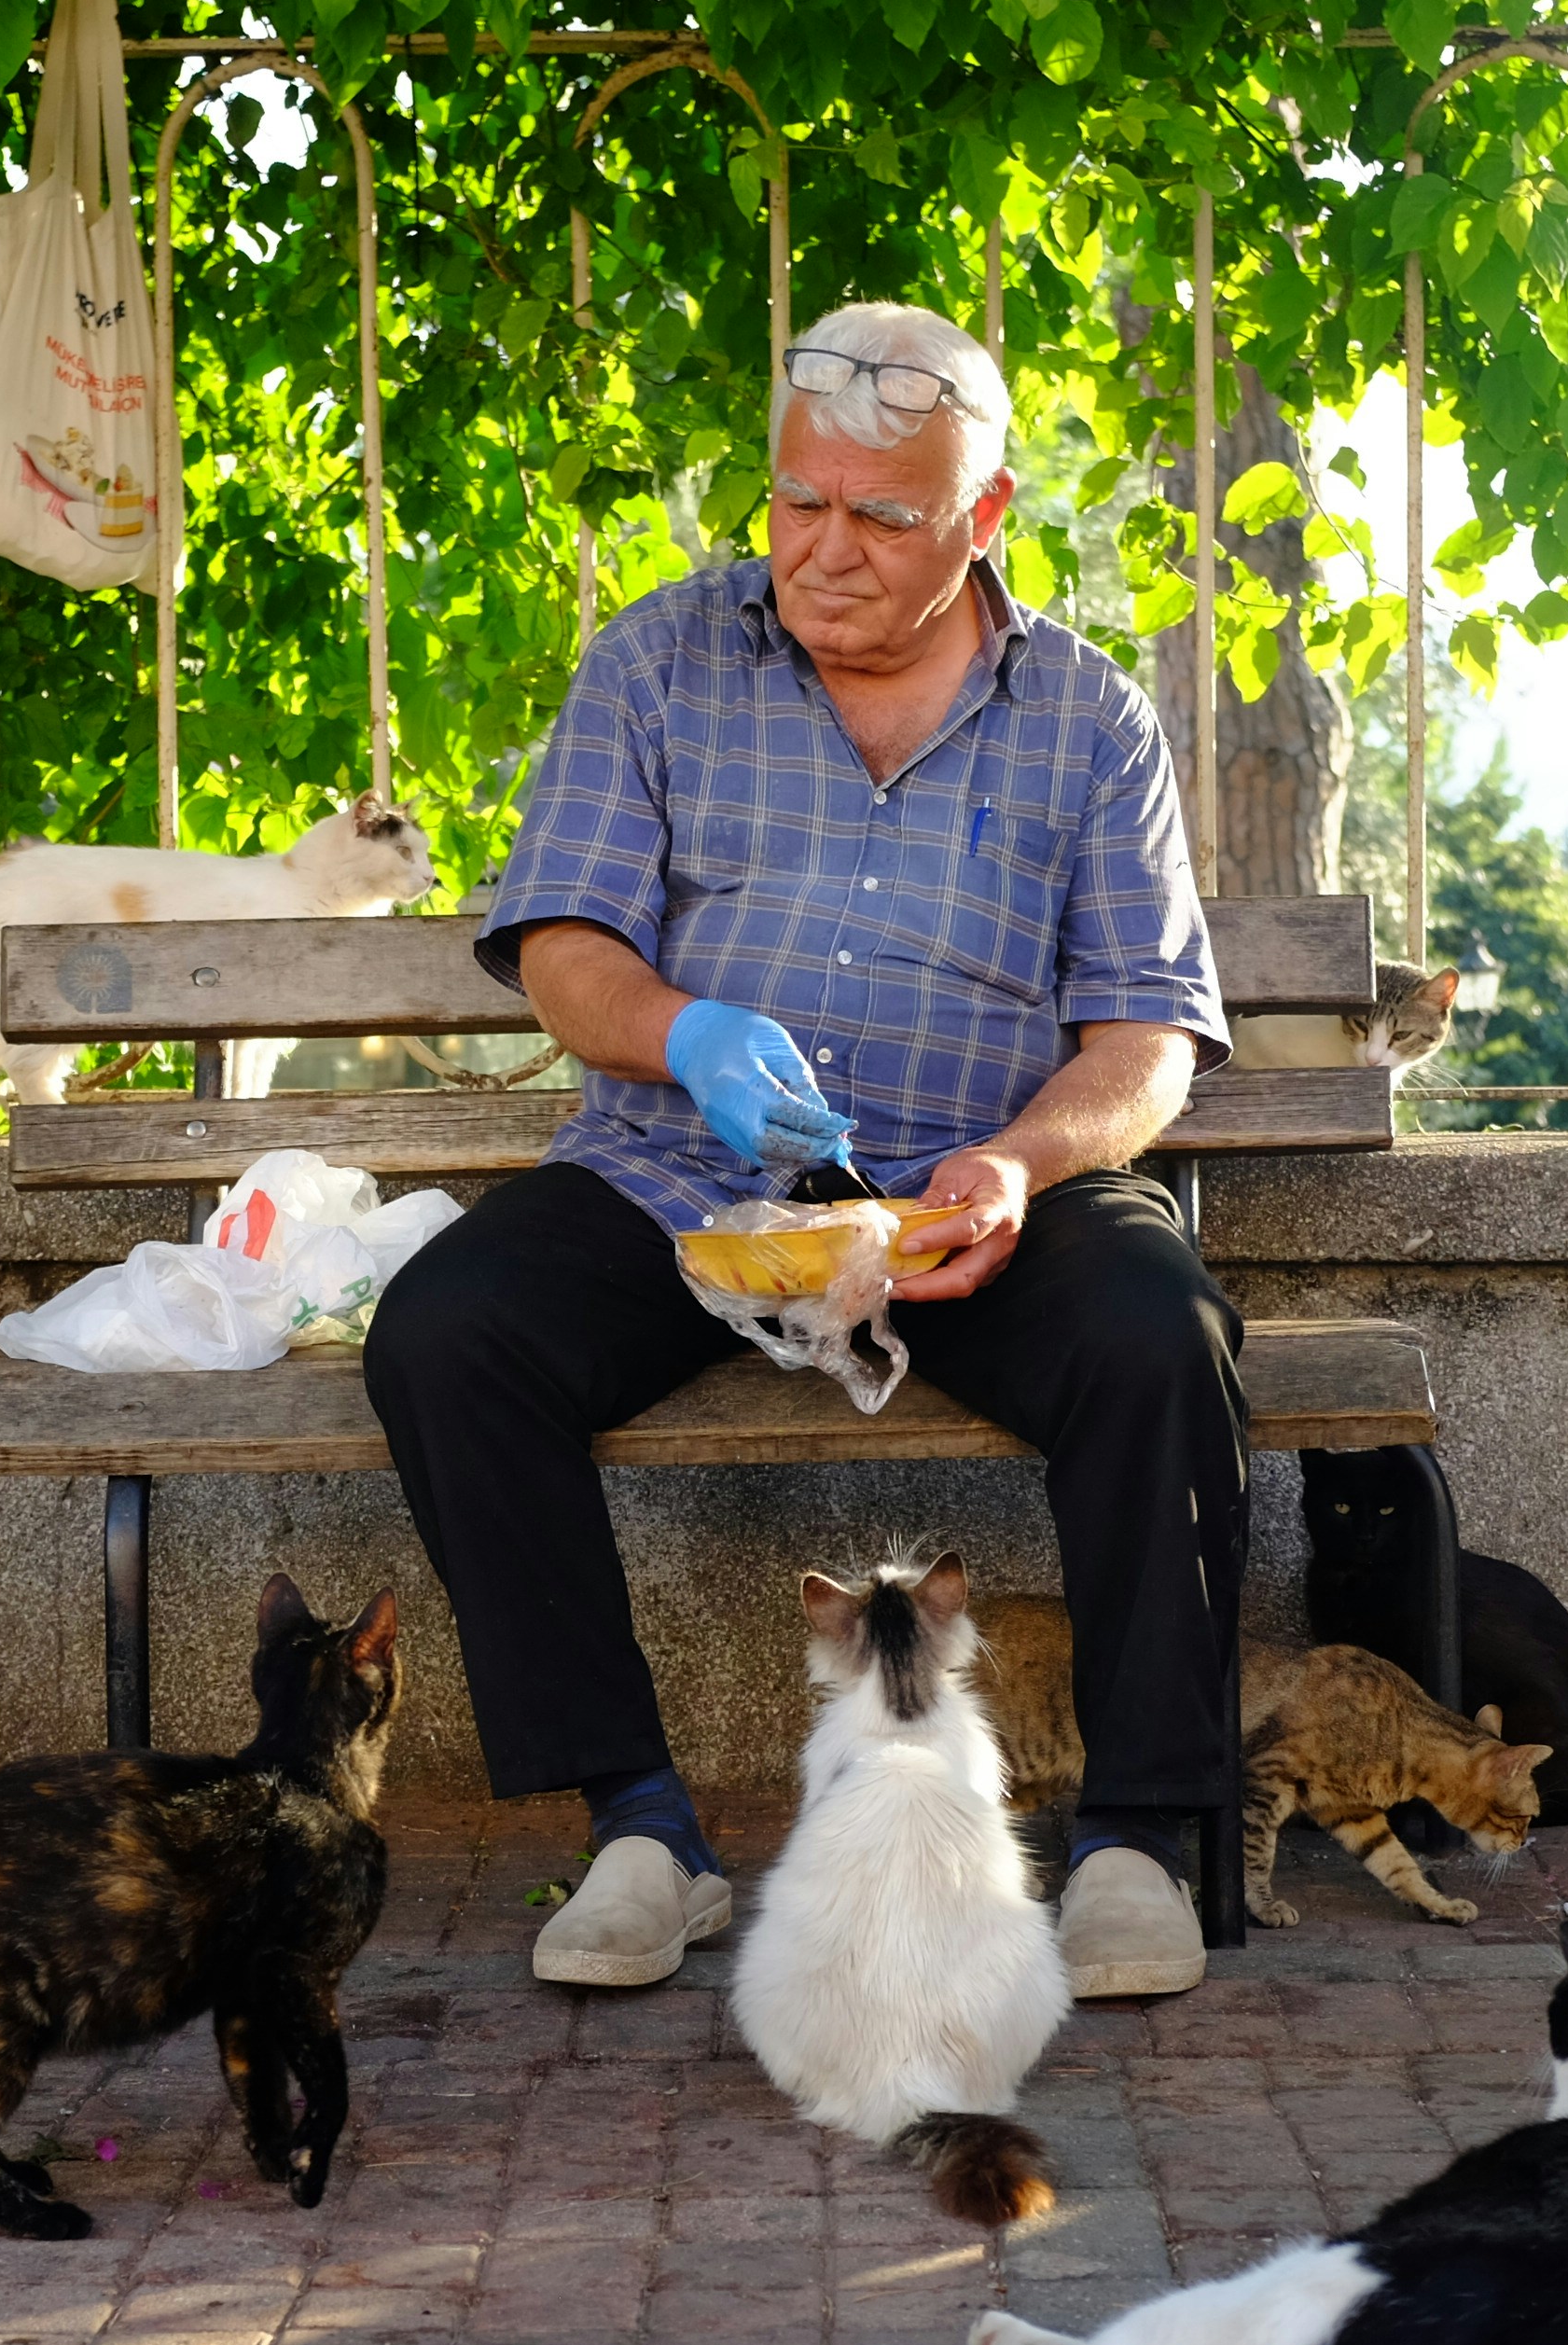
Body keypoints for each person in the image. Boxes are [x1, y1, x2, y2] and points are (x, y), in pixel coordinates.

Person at [363, 298, 1247, 2003]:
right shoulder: (657, 659)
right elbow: (563, 950)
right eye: (795, 506)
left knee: (1162, 1340)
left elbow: (1145, 1043)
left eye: (882, 517)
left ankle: (1141, 1835)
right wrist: (683, 1031)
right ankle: (639, 1827)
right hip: (687, 1183)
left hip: (965, 1191)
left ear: (984, 522)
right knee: (451, 1333)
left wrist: (1019, 1162)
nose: (822, 553)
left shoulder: (1091, 716)